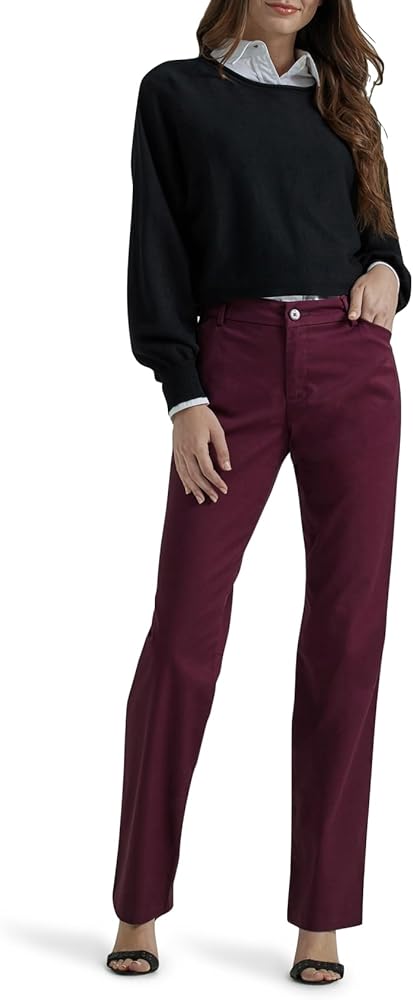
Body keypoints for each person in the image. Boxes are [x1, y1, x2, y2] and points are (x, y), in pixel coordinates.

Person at [106, 0, 411, 984]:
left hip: (349, 365)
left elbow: (380, 241)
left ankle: (322, 919)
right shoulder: (176, 94)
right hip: (229, 366)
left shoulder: (343, 97)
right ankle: (138, 901)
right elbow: (157, 245)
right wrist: (181, 391)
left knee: (347, 639)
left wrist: (386, 274)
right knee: (182, 635)